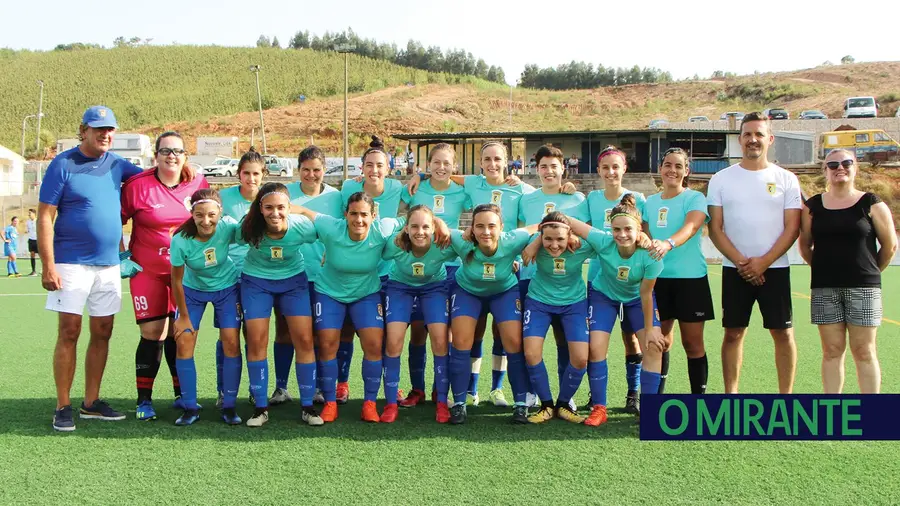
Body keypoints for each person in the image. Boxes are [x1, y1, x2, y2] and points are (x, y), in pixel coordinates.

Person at [40, 106, 143, 431]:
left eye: (110, 129)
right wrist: (48, 265)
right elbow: (45, 216)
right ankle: (63, 406)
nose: (105, 135)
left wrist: (185, 170)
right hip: (69, 264)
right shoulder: (63, 164)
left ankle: (91, 403)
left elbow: (152, 178)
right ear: (83, 130)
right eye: (98, 129)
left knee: (103, 332)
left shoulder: (118, 164)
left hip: (109, 266)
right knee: (69, 332)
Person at [707, 112, 802, 394]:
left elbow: (792, 228)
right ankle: (731, 396)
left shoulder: (786, 179)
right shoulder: (721, 179)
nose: (753, 140)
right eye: (747, 134)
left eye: (759, 134)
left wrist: (763, 263)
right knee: (733, 333)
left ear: (770, 139)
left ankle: (785, 397)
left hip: (776, 269)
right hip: (735, 269)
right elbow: (716, 229)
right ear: (739, 140)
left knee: (783, 333)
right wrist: (743, 263)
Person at [293, 192, 407, 423]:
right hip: (329, 293)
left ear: (374, 215)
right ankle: (330, 403)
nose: (359, 219)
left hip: (366, 294)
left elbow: (410, 218)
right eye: (353, 213)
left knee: (374, 345)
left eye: (364, 214)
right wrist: (279, 208)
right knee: (327, 344)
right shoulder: (332, 227)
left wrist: (438, 225)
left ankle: (370, 403)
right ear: (345, 214)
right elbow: (305, 211)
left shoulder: (383, 227)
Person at [120, 131, 208, 421]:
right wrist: (122, 254)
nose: (172, 156)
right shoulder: (137, 185)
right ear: (155, 155)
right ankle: (143, 400)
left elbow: (209, 220)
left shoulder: (197, 183)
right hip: (147, 271)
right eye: (166, 150)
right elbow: (114, 221)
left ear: (185, 155)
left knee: (179, 333)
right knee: (152, 334)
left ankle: (181, 395)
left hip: (184, 273)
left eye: (178, 151)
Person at [799, 149, 897, 393]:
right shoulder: (813, 206)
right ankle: (834, 413)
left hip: (864, 288)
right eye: (832, 164)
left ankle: (870, 414)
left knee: (864, 351)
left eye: (846, 163)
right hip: (824, 288)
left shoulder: (872, 203)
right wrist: (823, 269)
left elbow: (890, 245)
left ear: (856, 168)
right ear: (825, 171)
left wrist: (870, 272)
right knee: (831, 351)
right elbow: (804, 245)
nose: (839, 168)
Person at [445, 204, 541, 425]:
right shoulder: (463, 241)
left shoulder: (513, 239)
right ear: (471, 229)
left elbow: (542, 225)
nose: (485, 232)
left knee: (514, 343)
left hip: (503, 292)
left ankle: (520, 404)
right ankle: (459, 403)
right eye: (479, 226)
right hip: (467, 291)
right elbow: (437, 225)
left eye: (491, 226)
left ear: (501, 228)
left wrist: (535, 243)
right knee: (461, 342)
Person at [237, 182, 321, 427]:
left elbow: (330, 231)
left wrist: (305, 212)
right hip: (256, 283)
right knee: (256, 340)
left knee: (304, 340)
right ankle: (260, 408)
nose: (275, 213)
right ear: (260, 208)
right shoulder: (248, 226)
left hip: (293, 283)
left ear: (289, 207)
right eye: (269, 207)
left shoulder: (301, 227)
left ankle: (307, 406)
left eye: (281, 207)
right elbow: (219, 235)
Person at [570, 145, 646, 414]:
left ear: (624, 169)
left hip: (631, 284)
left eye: (616, 166)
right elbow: (575, 220)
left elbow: (643, 236)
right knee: (596, 342)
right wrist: (570, 190)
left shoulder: (638, 198)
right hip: (599, 280)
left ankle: (633, 394)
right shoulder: (591, 198)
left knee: (631, 340)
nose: (611, 172)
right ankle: (596, 396)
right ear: (599, 171)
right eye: (605, 167)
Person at [397, 143, 469, 408]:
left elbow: (486, 183)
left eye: (446, 163)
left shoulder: (462, 191)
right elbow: (392, 202)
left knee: (443, 334)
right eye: (435, 163)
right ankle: (418, 390)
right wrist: (418, 177)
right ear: (427, 165)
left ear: (454, 167)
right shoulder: (416, 189)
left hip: (449, 269)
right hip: (419, 270)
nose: (441, 168)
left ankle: (442, 391)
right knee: (418, 331)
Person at [518, 211, 607, 424]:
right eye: (548, 239)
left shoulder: (582, 246)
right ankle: (546, 405)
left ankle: (564, 404)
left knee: (580, 358)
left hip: (574, 304)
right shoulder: (533, 243)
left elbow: (607, 240)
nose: (554, 245)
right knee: (531, 354)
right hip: (539, 301)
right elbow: (511, 238)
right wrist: (535, 242)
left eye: (560, 239)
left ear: (569, 235)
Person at [336, 136, 405, 403]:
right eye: (369, 165)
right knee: (346, 330)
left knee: (385, 333)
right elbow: (339, 222)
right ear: (361, 168)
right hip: (354, 272)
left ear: (388, 169)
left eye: (380, 165)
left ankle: (391, 384)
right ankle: (342, 383)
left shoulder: (398, 187)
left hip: (386, 272)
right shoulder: (346, 189)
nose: (374, 170)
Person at [583, 194, 662, 425]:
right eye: (616, 229)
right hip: (603, 295)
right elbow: (568, 221)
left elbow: (646, 293)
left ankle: (650, 410)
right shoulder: (603, 240)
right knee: (596, 347)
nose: (622, 234)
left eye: (628, 229)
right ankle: (599, 408)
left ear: (640, 230)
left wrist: (650, 330)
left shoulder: (651, 254)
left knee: (653, 346)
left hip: (636, 299)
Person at [517, 144, 585, 410]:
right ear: (537, 169)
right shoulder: (527, 198)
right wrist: (534, 242)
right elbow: (521, 231)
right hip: (530, 276)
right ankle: (533, 392)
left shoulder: (577, 198)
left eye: (553, 166)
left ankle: (566, 395)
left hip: (565, 280)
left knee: (564, 339)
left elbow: (581, 233)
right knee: (529, 340)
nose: (548, 171)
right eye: (543, 166)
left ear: (562, 169)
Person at [169, 189, 243, 425]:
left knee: (231, 341)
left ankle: (229, 406)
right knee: (184, 341)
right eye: (199, 214)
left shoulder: (228, 226)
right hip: (192, 292)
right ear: (191, 213)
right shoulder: (181, 239)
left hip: (227, 288)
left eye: (211, 214)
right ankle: (190, 407)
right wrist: (182, 317)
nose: (206, 220)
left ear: (220, 213)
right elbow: (176, 280)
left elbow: (251, 233)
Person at [644, 148, 713, 394]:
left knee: (692, 343)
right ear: (660, 169)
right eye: (667, 165)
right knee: (658, 342)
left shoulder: (694, 198)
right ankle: (656, 398)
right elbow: (643, 233)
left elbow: (692, 226)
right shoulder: (649, 202)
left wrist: (668, 243)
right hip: (657, 281)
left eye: (678, 166)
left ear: (686, 171)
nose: (672, 170)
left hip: (690, 280)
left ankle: (698, 400)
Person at [382, 205, 456, 422]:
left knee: (441, 341)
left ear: (434, 228)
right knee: (394, 342)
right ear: (406, 228)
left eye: (425, 226)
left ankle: (442, 402)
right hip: (400, 287)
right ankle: (390, 404)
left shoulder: (443, 243)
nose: (420, 232)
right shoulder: (395, 245)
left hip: (434, 287)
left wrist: (512, 262)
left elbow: (473, 242)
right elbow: (370, 244)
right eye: (414, 226)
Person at [285, 146, 343, 404]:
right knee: (286, 332)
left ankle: (324, 387)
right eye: (306, 169)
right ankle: (280, 387)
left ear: (325, 170)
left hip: (325, 276)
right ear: (299, 170)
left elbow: (344, 230)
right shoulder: (286, 195)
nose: (311, 174)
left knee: (324, 333)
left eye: (317, 169)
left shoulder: (337, 197)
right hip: (292, 273)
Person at [216, 148, 266, 406]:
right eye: (246, 173)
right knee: (228, 333)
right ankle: (223, 389)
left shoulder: (268, 199)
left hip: (257, 275)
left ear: (263, 175)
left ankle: (254, 387)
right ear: (238, 175)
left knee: (253, 333)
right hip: (227, 275)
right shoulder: (223, 198)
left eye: (256, 173)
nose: (251, 178)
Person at [26, 209, 38, 276]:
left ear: (34, 214)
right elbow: (28, 230)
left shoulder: (38, 221)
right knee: (32, 254)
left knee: (41, 255)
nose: (29, 214)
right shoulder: (28, 222)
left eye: (30, 213)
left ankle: (44, 270)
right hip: (31, 240)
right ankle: (33, 271)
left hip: (37, 240)